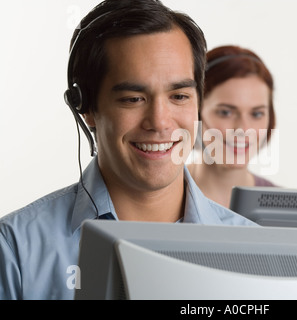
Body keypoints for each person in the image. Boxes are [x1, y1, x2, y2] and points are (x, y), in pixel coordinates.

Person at [0, 0, 257, 300]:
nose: (160, 122)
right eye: (133, 99)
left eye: (179, 96)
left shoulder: (253, 250)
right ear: (86, 107)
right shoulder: (16, 249)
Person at [188, 45, 278, 208]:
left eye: (257, 114)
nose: (243, 129)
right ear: (196, 112)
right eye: (225, 112)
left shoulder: (281, 206)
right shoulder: (156, 197)